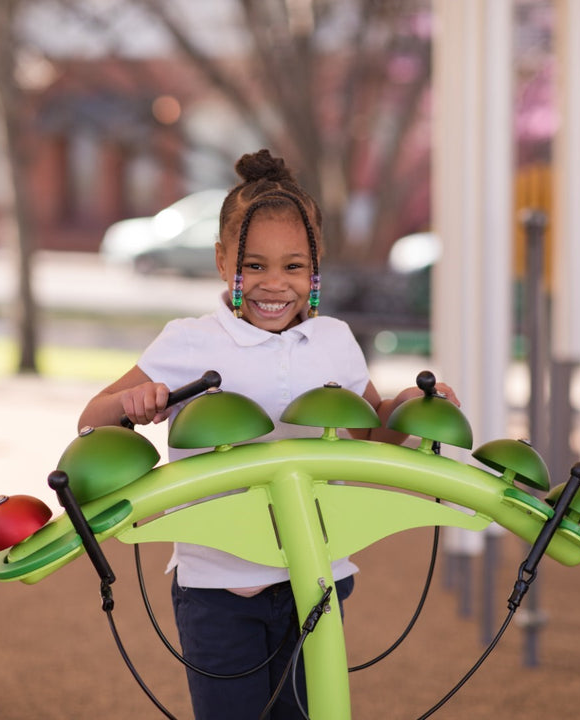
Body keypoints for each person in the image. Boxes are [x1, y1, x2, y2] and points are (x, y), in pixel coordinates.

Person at [79, 148, 457, 720]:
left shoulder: (335, 340)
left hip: (319, 573)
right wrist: (129, 404)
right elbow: (91, 419)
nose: (273, 285)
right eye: (253, 266)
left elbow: (370, 437)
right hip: (219, 586)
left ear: (316, 265)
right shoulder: (190, 341)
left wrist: (410, 407)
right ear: (220, 260)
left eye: (293, 266)